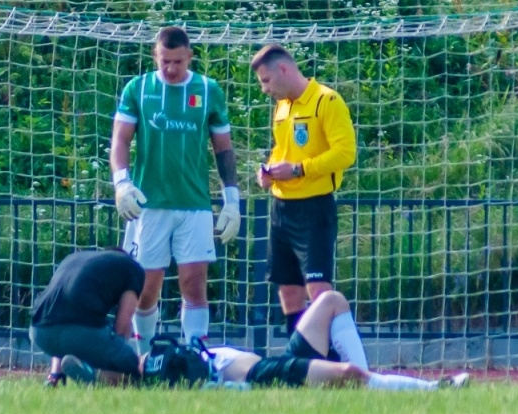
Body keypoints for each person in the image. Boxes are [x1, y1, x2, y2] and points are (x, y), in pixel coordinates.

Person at [110, 26, 240, 347]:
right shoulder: (138, 88)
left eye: (177, 62)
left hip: (194, 205)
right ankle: (144, 356)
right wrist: (122, 184)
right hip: (148, 204)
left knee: (194, 284)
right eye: (164, 61)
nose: (170, 68)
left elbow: (223, 148)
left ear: (189, 57)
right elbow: (120, 140)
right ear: (155, 55)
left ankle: (197, 356)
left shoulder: (208, 90)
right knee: (145, 288)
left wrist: (232, 200)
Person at [251, 44, 357, 333]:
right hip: (281, 208)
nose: (264, 89)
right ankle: (299, 357)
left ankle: (335, 358)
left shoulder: (327, 101)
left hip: (314, 207)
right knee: (287, 287)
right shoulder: (282, 107)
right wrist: (270, 171)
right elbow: (282, 151)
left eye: (266, 80)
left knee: (318, 288)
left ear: (284, 69)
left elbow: (346, 153)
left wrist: (299, 169)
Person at [204, 289, 469, 390]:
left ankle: (370, 385)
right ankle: (436, 390)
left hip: (273, 364)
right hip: (261, 376)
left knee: (332, 300)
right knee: (349, 374)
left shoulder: (180, 355)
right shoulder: (175, 370)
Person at [30, 248, 146, 385]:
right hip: (82, 333)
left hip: (39, 333)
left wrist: (56, 372)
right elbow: (123, 323)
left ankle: (54, 377)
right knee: (134, 365)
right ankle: (98, 376)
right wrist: (118, 355)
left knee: (68, 332)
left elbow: (59, 313)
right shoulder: (132, 267)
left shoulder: (72, 258)